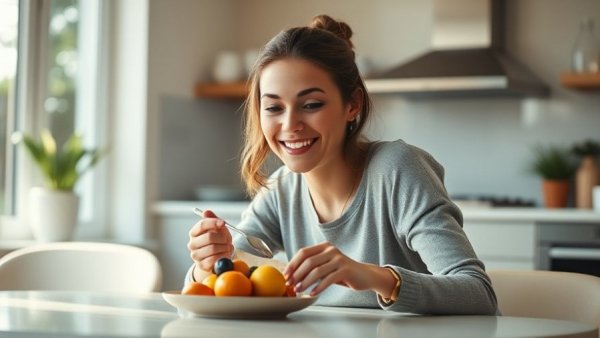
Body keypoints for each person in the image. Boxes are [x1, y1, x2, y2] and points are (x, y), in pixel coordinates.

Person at [186, 14, 498, 315]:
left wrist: (374, 277)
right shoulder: (282, 189)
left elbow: (479, 294)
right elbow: (233, 281)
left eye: (311, 105)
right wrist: (208, 264)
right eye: (273, 107)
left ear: (353, 105)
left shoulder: (397, 169)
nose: (290, 124)